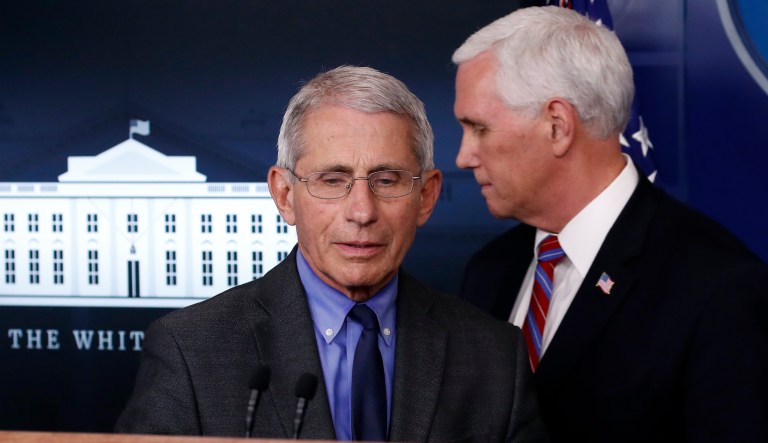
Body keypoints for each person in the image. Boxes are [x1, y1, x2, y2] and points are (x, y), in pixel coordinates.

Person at [116, 66, 548, 442]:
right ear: (285, 195)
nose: (361, 212)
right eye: (331, 179)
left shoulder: (494, 357)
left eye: (388, 179)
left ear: (427, 196)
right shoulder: (191, 351)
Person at [452, 6, 768, 442]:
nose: (463, 157)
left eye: (479, 128)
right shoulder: (489, 271)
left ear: (557, 126)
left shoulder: (717, 288)